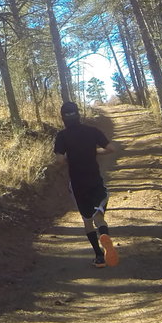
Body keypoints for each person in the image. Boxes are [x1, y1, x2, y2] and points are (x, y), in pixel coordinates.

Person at [53, 101, 119, 268]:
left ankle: (98, 256)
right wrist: (95, 151)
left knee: (87, 220)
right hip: (95, 180)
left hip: (77, 184)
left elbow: (60, 160)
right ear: (78, 114)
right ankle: (104, 235)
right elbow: (111, 148)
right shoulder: (92, 131)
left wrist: (71, 157)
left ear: (63, 118)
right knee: (99, 217)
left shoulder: (62, 136)